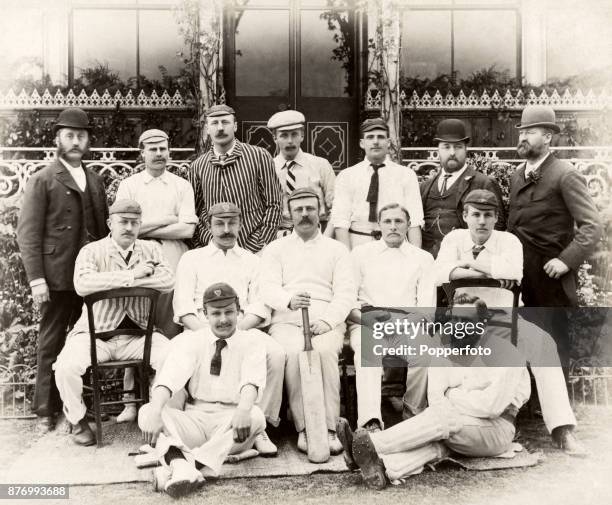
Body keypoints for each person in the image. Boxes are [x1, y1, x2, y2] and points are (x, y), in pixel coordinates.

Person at [436, 189, 587, 456]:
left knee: (544, 345)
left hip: (506, 317)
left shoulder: (509, 241)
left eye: (487, 215)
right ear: (465, 216)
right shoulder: (453, 238)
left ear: (496, 218)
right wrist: (493, 269)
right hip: (466, 318)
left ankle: (562, 430)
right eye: (476, 215)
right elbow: (439, 274)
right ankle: (437, 420)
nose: (481, 221)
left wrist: (466, 266)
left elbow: (514, 272)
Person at [336, 297, 531, 490]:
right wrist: (452, 401)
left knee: (445, 421)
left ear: (483, 322)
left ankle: (369, 445)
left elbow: (491, 407)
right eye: (456, 321)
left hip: (497, 430)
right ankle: (384, 468)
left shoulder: (505, 353)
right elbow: (436, 399)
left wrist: (452, 396)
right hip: (456, 430)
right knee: (438, 445)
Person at [16, 107, 109, 433]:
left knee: (87, 342)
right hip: (55, 278)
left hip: (90, 278)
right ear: (57, 138)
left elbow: (103, 234)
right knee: (51, 343)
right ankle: (45, 410)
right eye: (69, 135)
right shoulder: (42, 179)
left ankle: (82, 407)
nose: (75, 141)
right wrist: (36, 279)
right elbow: (27, 233)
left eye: (81, 136)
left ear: (87, 141)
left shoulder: (95, 180)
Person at [53, 199, 174, 446]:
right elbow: (83, 285)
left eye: (134, 223)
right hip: (95, 335)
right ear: (110, 223)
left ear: (140, 225)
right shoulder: (92, 251)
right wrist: (133, 275)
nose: (129, 228)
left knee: (172, 357)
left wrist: (112, 281)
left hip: (140, 336)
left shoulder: (151, 249)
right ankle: (77, 420)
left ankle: (158, 415)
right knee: (66, 367)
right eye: (123, 222)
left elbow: (168, 281)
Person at [172, 202, 285, 456]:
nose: (226, 230)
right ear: (209, 226)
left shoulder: (253, 261)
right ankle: (178, 425)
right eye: (219, 224)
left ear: (240, 224)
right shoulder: (191, 259)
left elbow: (260, 304)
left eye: (232, 223)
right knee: (171, 352)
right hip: (199, 327)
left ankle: (258, 427)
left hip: (241, 327)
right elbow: (182, 304)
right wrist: (207, 332)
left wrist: (237, 331)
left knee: (275, 354)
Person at [138, 282, 268, 498]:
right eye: (216, 313)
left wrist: (244, 409)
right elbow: (169, 380)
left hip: (231, 425)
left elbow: (251, 383)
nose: (223, 319)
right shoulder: (193, 341)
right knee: (147, 412)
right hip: (196, 419)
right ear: (205, 314)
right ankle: (190, 466)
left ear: (239, 311)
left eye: (229, 312)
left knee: (256, 415)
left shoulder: (252, 341)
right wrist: (154, 410)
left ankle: (179, 463)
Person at [259, 188, 356, 455]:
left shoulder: (337, 249)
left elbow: (346, 293)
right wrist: (288, 300)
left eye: (310, 209)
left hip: (326, 320)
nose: (304, 214)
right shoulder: (275, 249)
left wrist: (327, 322)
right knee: (292, 352)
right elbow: (266, 288)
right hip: (287, 320)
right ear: (288, 214)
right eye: (298, 209)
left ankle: (328, 427)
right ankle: (305, 427)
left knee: (323, 352)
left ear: (321, 212)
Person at [508, 105, 602, 368]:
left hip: (550, 277)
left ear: (548, 137)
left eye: (531, 132)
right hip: (521, 274)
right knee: (521, 341)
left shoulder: (565, 174)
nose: (523, 138)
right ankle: (527, 405)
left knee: (551, 344)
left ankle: (554, 407)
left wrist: (565, 260)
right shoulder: (517, 175)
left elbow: (592, 226)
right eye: (521, 132)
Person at [347, 203, 436, 433]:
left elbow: (427, 309)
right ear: (379, 225)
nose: (393, 226)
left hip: (409, 324)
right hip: (369, 322)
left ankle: (413, 416)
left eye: (399, 221)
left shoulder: (423, 258)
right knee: (368, 352)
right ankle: (370, 422)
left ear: (408, 225)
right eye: (387, 221)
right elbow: (348, 299)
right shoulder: (360, 254)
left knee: (424, 351)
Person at [188, 104, 282, 253]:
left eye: (225, 122)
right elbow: (195, 212)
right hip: (214, 250)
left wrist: (263, 242)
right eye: (214, 123)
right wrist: (208, 244)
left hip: (255, 249)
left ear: (235, 126)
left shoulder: (259, 156)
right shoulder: (198, 166)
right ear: (207, 129)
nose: (220, 128)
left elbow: (274, 203)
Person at [330, 118, 423, 249]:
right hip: (358, 244)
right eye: (370, 137)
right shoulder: (347, 176)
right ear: (362, 143)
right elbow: (340, 221)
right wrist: (347, 257)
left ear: (389, 142)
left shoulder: (406, 175)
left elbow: (415, 220)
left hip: (395, 245)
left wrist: (415, 256)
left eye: (380, 137)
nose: (375, 142)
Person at [420, 119, 505, 258]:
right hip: (429, 261)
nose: (452, 152)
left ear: (466, 149)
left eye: (458, 146)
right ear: (438, 150)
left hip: (465, 262)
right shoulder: (425, 187)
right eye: (446, 147)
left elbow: (497, 227)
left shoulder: (483, 183)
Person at [267, 110, 336, 236]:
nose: (290, 141)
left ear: (302, 135)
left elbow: (336, 208)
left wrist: (326, 238)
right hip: (279, 236)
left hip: (317, 233)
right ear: (274, 137)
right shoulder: (267, 168)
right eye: (284, 135)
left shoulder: (320, 165)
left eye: (294, 134)